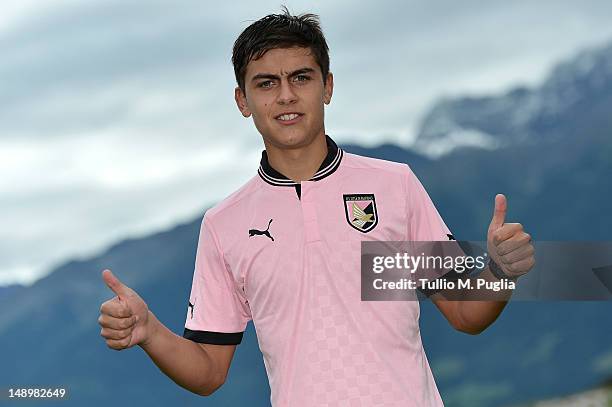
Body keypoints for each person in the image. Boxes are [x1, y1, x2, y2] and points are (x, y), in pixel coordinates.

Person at [98, 7, 535, 406]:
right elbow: (209, 371)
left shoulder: (393, 185)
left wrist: (499, 271)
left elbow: (466, 312)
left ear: (327, 87)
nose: (285, 96)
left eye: (301, 77)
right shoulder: (224, 225)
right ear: (242, 102)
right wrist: (150, 331)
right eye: (266, 83)